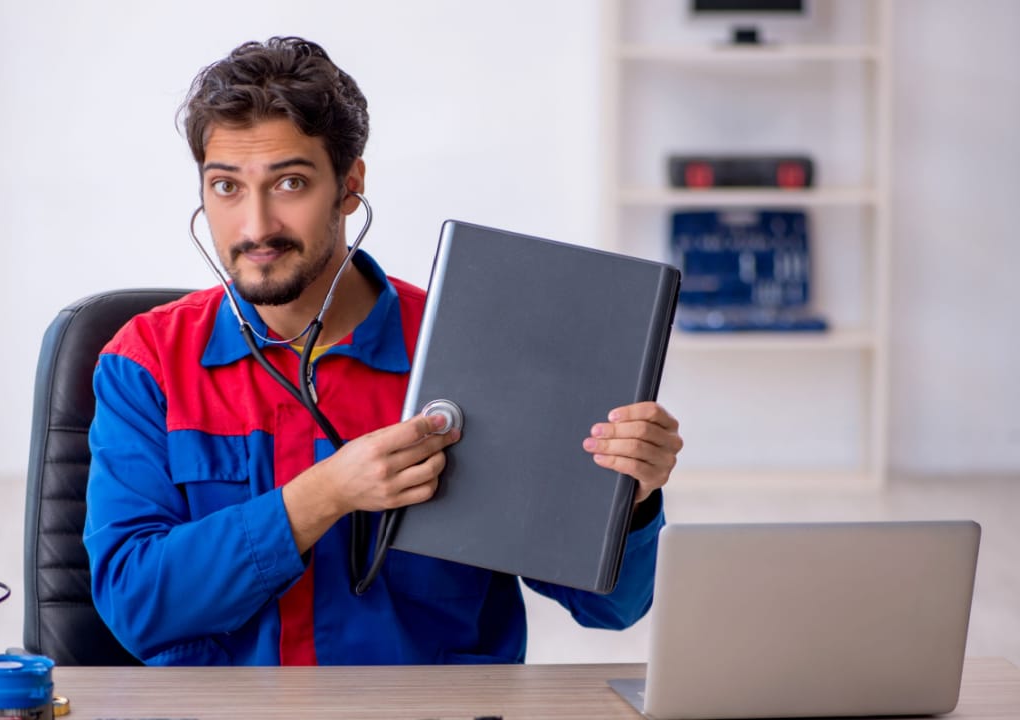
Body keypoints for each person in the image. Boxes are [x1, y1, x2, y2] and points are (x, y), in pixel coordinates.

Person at [83, 36, 684, 666]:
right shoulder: (145, 361)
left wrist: (633, 497)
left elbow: (611, 608)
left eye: (290, 182)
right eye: (226, 187)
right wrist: (324, 496)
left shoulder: (467, 346)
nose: (255, 226)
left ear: (350, 186)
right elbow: (136, 605)